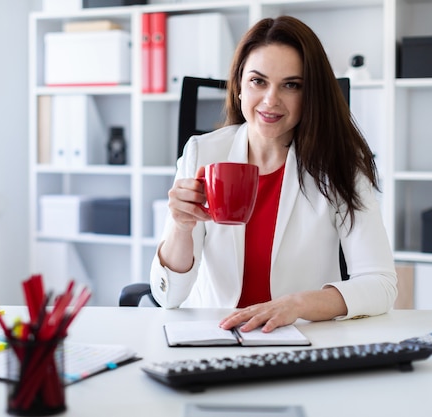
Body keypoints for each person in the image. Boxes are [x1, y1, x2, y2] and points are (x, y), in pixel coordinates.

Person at [149, 15, 397, 333]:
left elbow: (381, 285)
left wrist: (297, 305)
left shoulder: (339, 164)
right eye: (258, 81)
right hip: (214, 335)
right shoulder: (202, 153)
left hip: (302, 338)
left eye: (291, 85)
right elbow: (167, 296)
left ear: (311, 96)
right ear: (239, 86)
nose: (271, 100)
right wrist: (181, 229)